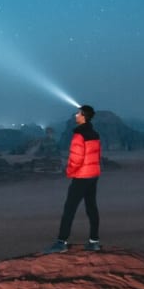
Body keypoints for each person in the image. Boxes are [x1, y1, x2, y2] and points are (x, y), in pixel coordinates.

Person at [43, 104, 101, 253]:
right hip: (93, 175)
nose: (75, 115)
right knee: (91, 208)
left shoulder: (79, 135)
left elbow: (76, 159)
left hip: (81, 176)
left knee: (69, 209)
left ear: (83, 116)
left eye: (78, 113)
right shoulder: (94, 134)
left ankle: (61, 242)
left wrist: (69, 172)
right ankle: (94, 242)